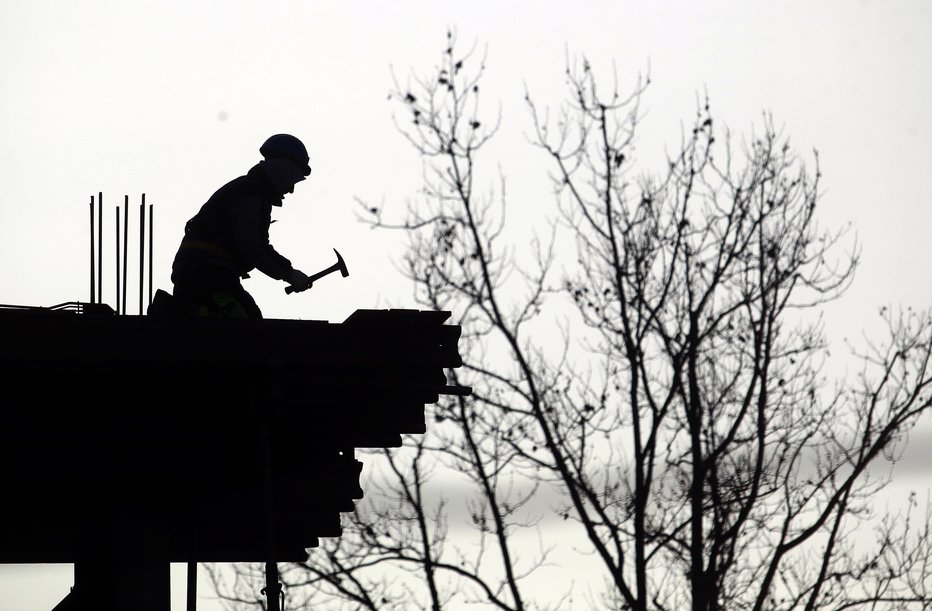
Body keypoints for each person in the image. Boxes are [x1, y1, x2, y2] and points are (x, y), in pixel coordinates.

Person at [168, 134, 313, 319]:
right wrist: (289, 274)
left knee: (247, 322)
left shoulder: (249, 191)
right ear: (283, 169)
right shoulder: (251, 194)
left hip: (202, 274)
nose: (291, 189)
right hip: (206, 275)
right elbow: (252, 246)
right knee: (246, 325)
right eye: (292, 180)